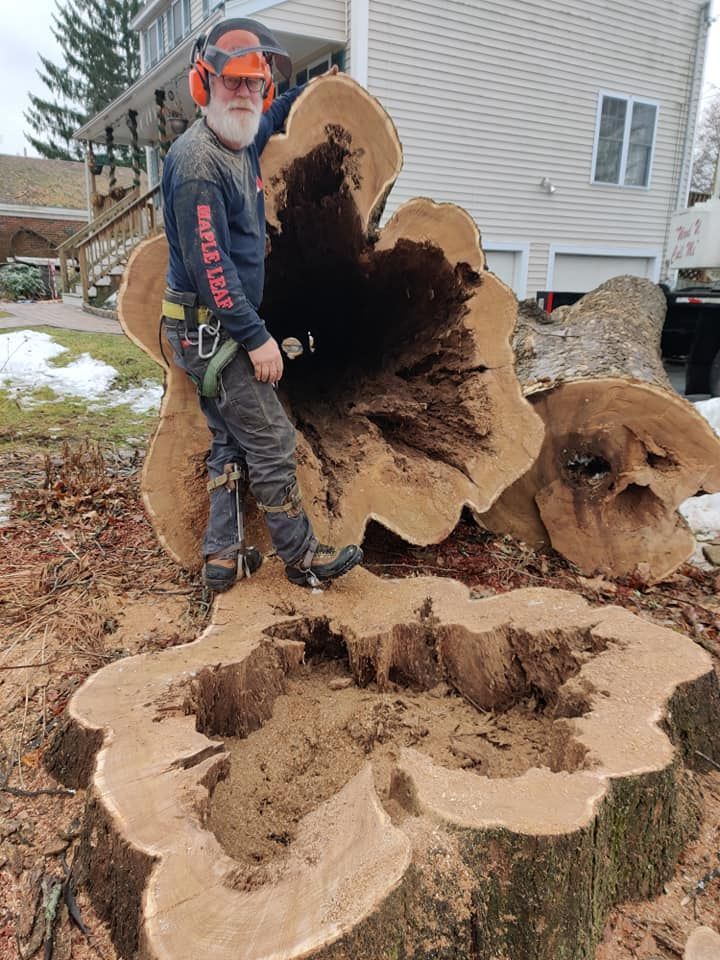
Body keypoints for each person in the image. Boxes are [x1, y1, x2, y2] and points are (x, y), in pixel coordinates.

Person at [160, 18, 362, 591]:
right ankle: (301, 557)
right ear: (205, 85)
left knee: (229, 439)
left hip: (212, 324)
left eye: (256, 84)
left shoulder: (243, 133)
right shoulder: (198, 164)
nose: (245, 94)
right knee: (273, 437)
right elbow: (210, 269)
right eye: (233, 83)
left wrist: (319, 84)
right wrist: (255, 338)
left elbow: (275, 114)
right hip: (210, 329)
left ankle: (222, 556)